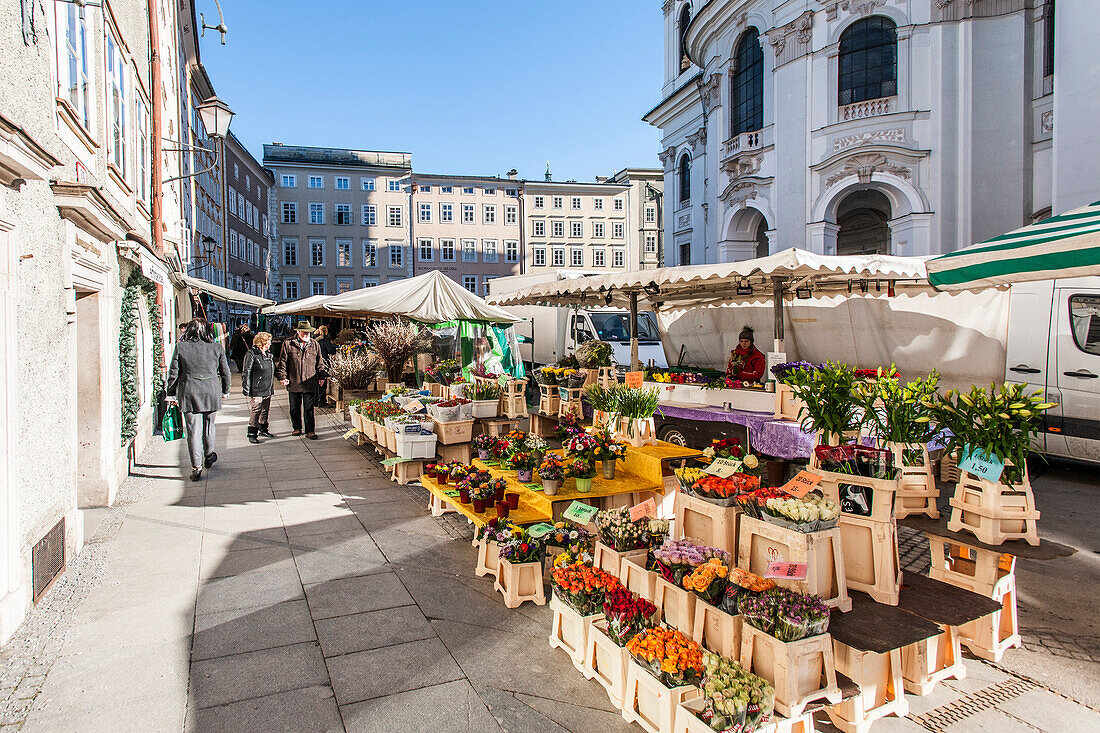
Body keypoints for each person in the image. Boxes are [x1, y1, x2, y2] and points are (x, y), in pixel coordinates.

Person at [166, 318, 232, 481]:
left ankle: (196, 467)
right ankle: (209, 455)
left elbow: (173, 373)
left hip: (189, 392)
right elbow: (226, 372)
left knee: (193, 431)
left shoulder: (181, 347)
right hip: (211, 391)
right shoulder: (216, 347)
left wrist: (171, 393)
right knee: (209, 426)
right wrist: (225, 390)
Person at [275, 321, 326, 439]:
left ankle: (310, 430)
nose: (306, 334)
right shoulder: (288, 344)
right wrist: (282, 377)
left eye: (308, 332)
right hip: (294, 381)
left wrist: (322, 376)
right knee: (294, 408)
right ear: (298, 332)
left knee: (309, 408)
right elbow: (282, 362)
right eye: (304, 332)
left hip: (309, 382)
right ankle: (296, 428)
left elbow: (320, 362)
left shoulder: (314, 344)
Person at [242, 331, 276, 443]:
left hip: (267, 387)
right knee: (256, 409)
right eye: (269, 341)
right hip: (257, 388)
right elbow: (246, 371)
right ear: (263, 342)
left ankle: (263, 429)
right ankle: (252, 432)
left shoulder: (268, 355)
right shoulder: (251, 354)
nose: (270, 343)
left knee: (265, 409)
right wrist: (246, 389)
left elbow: (273, 369)